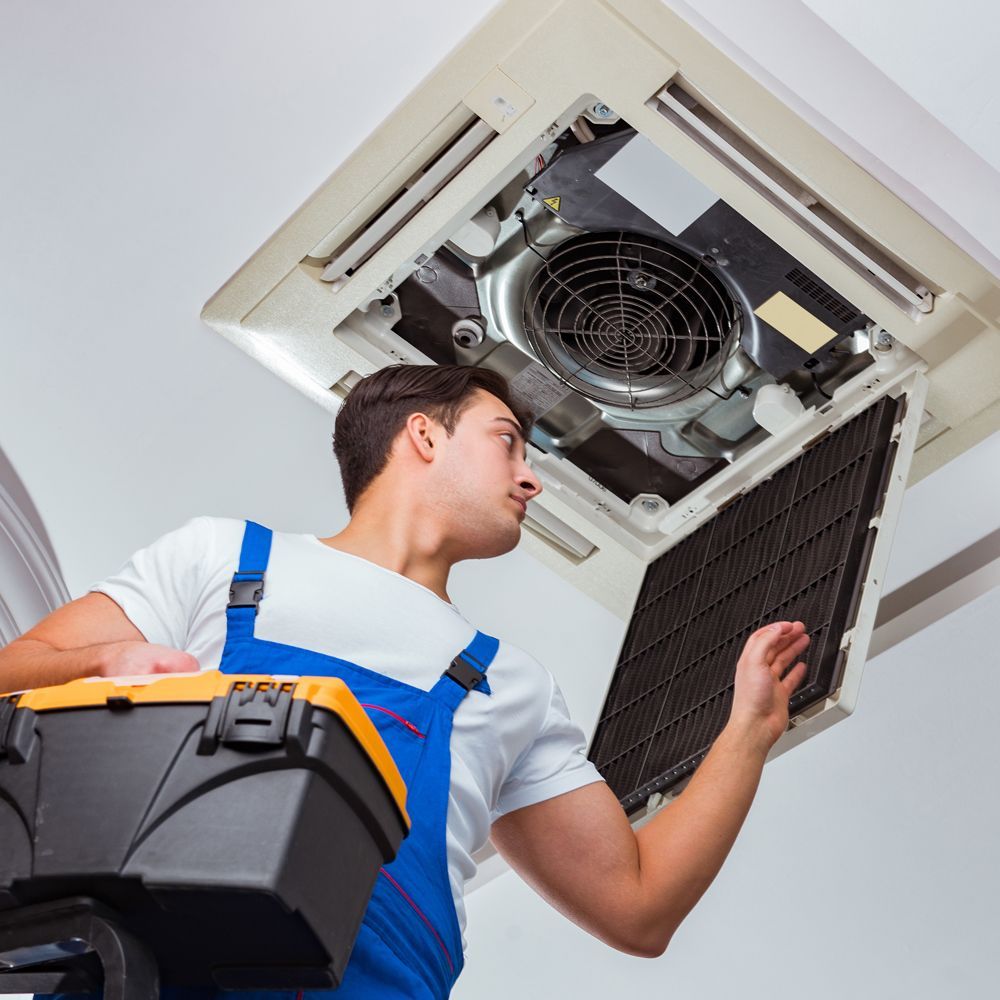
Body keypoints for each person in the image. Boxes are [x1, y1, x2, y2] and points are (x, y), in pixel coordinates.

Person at [0, 363, 810, 999]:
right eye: (507, 443)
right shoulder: (225, 560)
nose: (530, 480)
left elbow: (638, 907)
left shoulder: (509, 683)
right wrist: (103, 662)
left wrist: (749, 732)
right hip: (142, 970)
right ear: (423, 435)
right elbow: (12, 676)